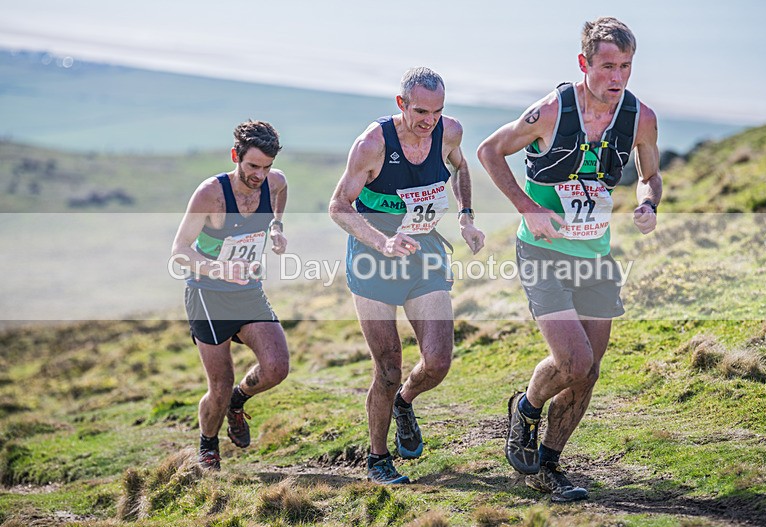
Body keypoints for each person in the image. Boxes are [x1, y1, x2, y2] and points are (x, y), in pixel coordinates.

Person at [477, 17, 661, 502]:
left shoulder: (641, 118)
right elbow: (490, 151)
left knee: (589, 371)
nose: (617, 77)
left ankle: (549, 465)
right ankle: (526, 407)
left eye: (625, 66)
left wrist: (648, 203)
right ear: (584, 63)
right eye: (607, 66)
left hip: (595, 256)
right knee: (573, 360)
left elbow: (649, 174)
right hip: (543, 252)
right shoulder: (551, 111)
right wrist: (528, 207)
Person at [329, 67, 485, 484]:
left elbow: (460, 167)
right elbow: (339, 206)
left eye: (437, 111)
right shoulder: (373, 145)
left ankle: (404, 401)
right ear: (401, 104)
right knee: (388, 367)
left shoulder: (449, 132)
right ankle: (378, 458)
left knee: (437, 362)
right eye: (420, 111)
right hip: (373, 257)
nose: (429, 121)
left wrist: (467, 216)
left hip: (423, 252)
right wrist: (382, 242)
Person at [171, 120, 291, 470]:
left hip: (248, 291)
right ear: (235, 156)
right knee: (219, 386)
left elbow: (281, 191)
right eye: (253, 166)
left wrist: (277, 227)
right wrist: (220, 270)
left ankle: (239, 401)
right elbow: (179, 251)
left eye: (266, 167)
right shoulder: (211, 193)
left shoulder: (274, 182)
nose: (259, 175)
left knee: (276, 367)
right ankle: (208, 445)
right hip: (208, 295)